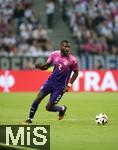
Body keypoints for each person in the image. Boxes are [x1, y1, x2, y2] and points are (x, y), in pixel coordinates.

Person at [24, 40, 79, 124]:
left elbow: (76, 73)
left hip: (60, 87)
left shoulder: (72, 60)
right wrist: (40, 66)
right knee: (38, 98)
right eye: (65, 46)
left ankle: (62, 109)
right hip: (50, 82)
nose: (67, 48)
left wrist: (69, 85)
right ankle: (29, 119)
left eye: (68, 47)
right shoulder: (54, 54)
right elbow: (46, 66)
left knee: (48, 107)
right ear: (61, 47)